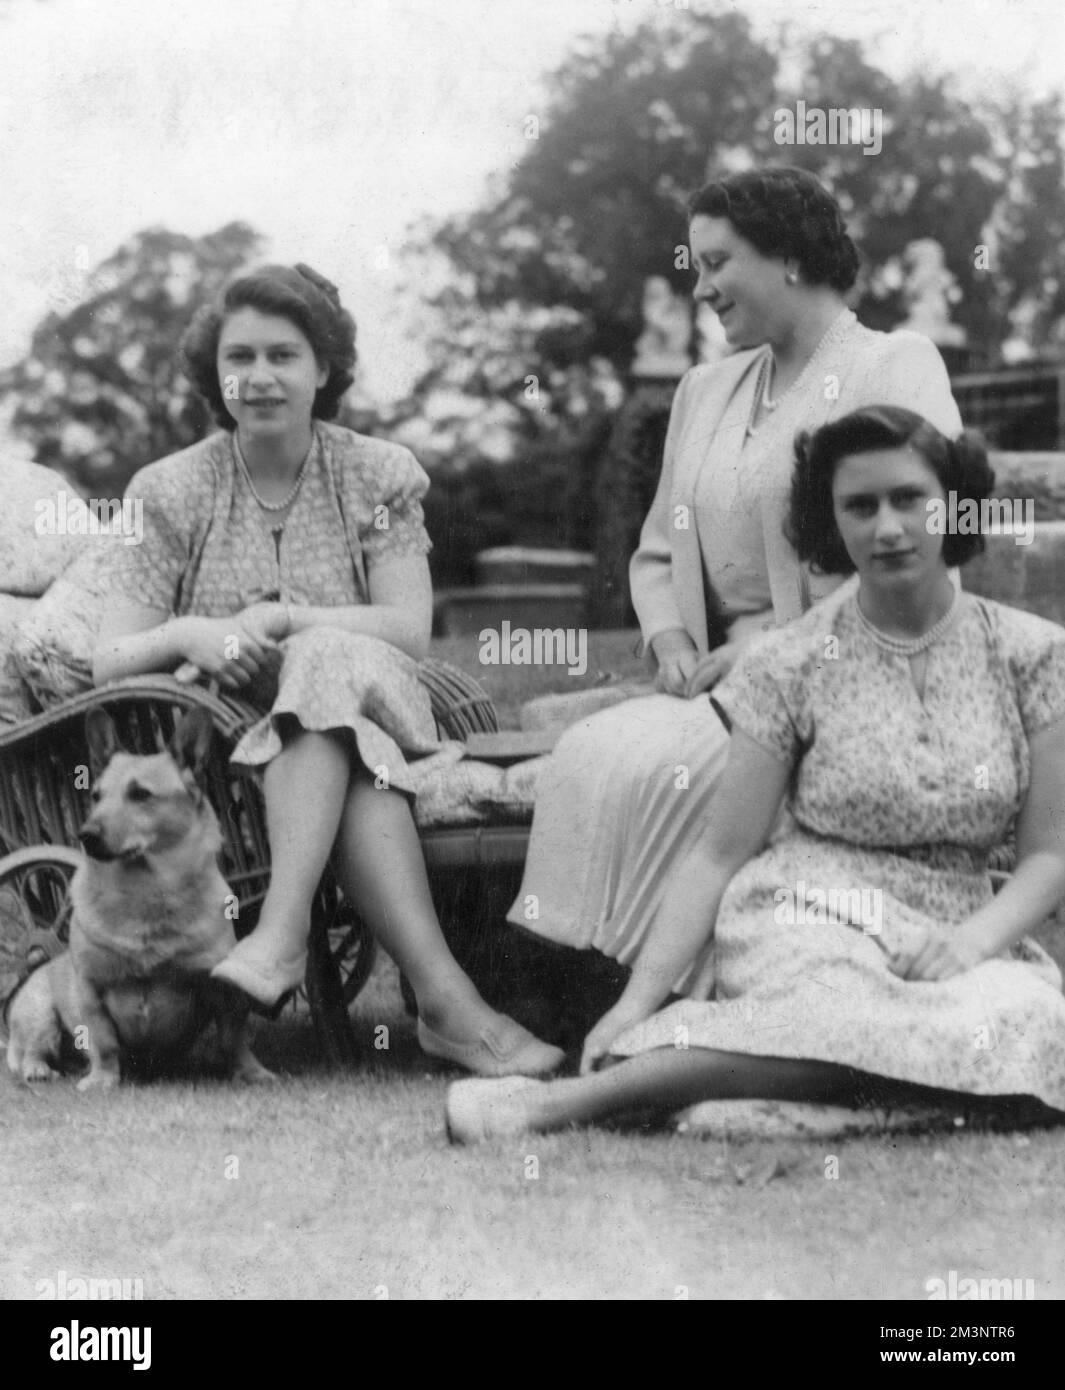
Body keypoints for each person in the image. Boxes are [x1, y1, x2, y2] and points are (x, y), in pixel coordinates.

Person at [445, 405, 1065, 1140]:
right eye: (858, 507)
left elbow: (1049, 856)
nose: (887, 528)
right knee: (840, 1013)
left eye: (909, 499)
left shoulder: (1034, 655)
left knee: (1031, 1022)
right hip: (811, 911)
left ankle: (808, 1110)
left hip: (955, 919)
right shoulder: (789, 660)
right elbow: (719, 852)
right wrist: (638, 1000)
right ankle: (550, 1107)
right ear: (829, 523)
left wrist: (969, 943)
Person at [93, 262, 563, 1078]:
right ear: (215, 374)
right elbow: (109, 657)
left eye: (284, 355)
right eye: (239, 357)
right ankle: (449, 1007)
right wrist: (191, 631)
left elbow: (408, 630)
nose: (260, 376)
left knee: (320, 659)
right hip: (238, 756)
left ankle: (279, 934)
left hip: (385, 708)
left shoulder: (376, 475)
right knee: (351, 763)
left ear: (323, 370)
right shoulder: (170, 490)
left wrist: (283, 618)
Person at [507, 167, 963, 993]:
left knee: (657, 768)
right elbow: (657, 546)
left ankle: (699, 991)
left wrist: (768, 648)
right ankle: (588, 990)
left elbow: (919, 546)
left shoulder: (893, 365)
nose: (703, 288)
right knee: (592, 750)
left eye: (717, 263)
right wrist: (673, 638)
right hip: (710, 682)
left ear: (788, 257)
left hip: (846, 673)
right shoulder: (703, 390)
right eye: (694, 266)